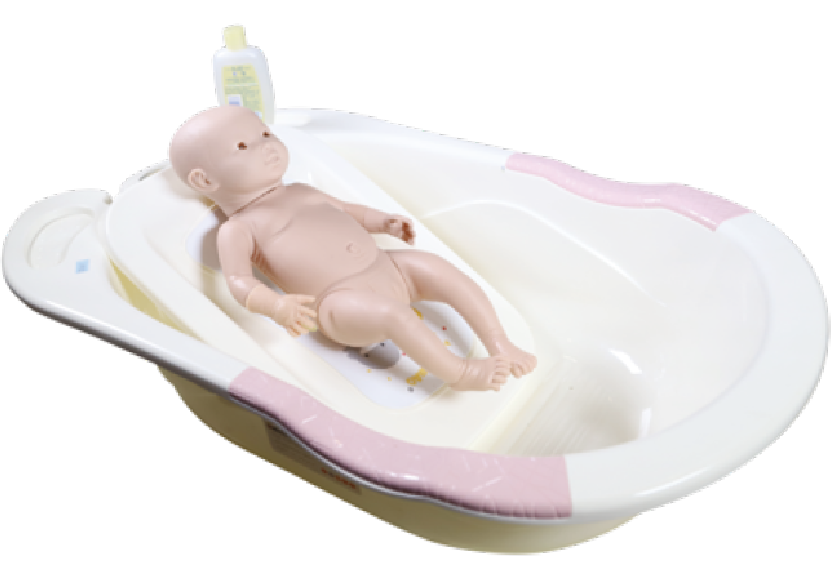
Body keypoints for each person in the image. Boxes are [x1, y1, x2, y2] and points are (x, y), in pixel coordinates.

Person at [169, 105, 536, 391]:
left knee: (437, 267)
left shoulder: (302, 191)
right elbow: (239, 282)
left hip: (388, 267)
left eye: (265, 133)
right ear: (205, 180)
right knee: (394, 315)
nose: (267, 146)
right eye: (243, 146)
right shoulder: (238, 228)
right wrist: (276, 306)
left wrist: (384, 222)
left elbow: (350, 212)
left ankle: (500, 343)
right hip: (339, 304)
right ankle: (462, 373)